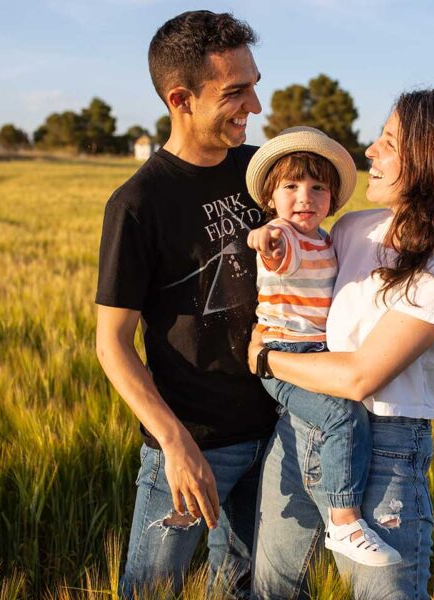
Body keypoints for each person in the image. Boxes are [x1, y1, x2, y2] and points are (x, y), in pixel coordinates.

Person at [249, 89, 434, 599]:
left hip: (384, 450)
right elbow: (291, 288)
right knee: (271, 592)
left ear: (432, 160)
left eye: (389, 142)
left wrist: (266, 359)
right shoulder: (350, 228)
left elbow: (361, 376)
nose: (370, 150)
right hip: (301, 425)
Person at [95, 10, 277, 598]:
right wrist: (175, 445)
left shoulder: (260, 172)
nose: (254, 106)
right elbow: (112, 344)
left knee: (242, 589)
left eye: (254, 85)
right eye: (235, 92)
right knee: (152, 592)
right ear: (181, 99)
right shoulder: (138, 203)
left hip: (276, 434)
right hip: (192, 444)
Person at [245, 126, 402, 567]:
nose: (305, 198)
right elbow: (272, 248)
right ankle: (344, 520)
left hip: (318, 355)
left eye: (318, 188)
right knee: (343, 416)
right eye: (291, 187)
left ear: (332, 199)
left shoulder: (326, 240)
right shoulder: (286, 236)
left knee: (337, 417)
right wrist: (265, 240)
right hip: (286, 356)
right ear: (270, 198)